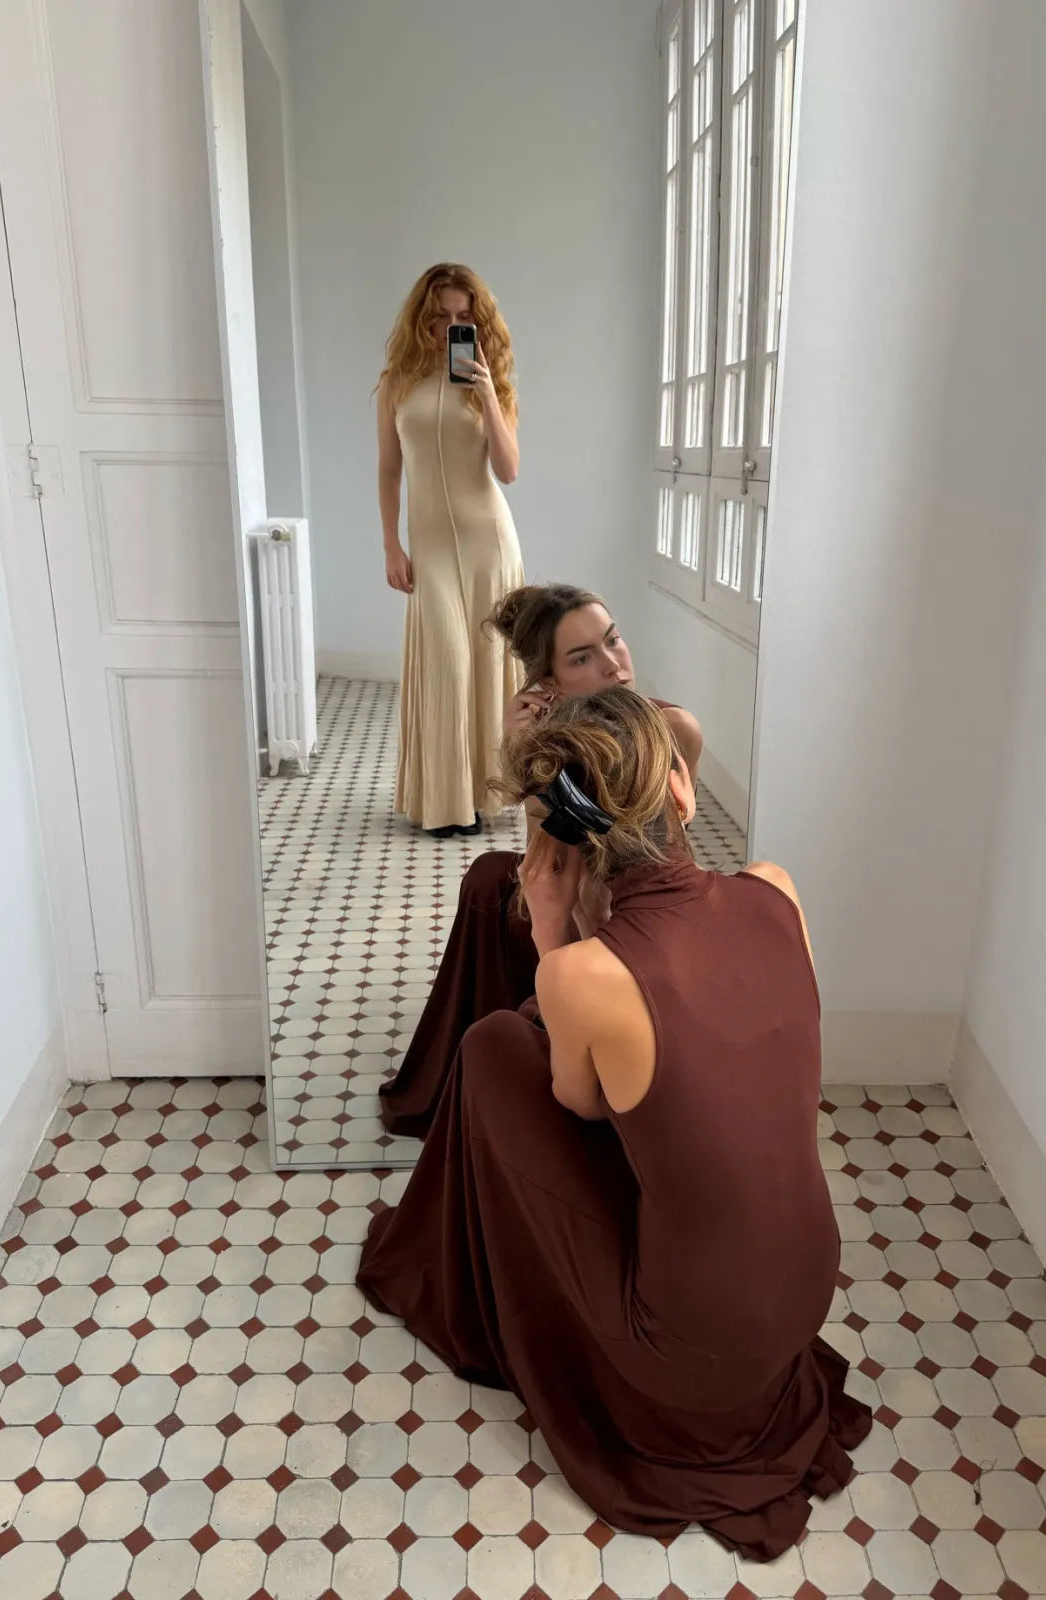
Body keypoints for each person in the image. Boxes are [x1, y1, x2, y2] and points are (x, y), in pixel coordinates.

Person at [358, 688, 871, 1559]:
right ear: (681, 789)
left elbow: (582, 1105)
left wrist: (551, 931)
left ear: (567, 841)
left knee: (492, 1048)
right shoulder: (775, 890)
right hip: (809, 1284)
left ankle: (478, 1283)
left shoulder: (584, 976)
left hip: (692, 1346)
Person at [378, 581, 702, 1135]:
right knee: (489, 879)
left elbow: (672, 852)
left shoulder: (673, 729)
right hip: (575, 898)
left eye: (613, 640)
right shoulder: (553, 742)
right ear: (548, 683)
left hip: (646, 911)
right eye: (582, 657)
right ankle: (506, 1057)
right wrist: (523, 753)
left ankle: (568, 1051)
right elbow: (547, 869)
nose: (613, 665)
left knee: (515, 892)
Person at [378, 263, 523, 838]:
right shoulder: (397, 382)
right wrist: (391, 544)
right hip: (430, 546)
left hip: (490, 542)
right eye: (441, 316)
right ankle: (443, 802)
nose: (451, 326)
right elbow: (389, 471)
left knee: (486, 664)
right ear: (423, 317)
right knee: (447, 665)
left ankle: (483, 797)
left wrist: (486, 394)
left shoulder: (494, 383)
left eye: (464, 317)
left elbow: (509, 471)